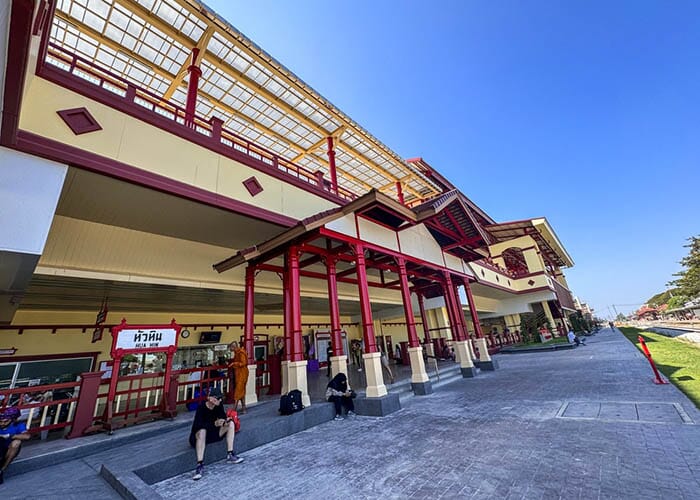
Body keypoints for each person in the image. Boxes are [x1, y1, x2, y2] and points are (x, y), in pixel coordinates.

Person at [189, 387, 243, 480]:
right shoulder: (201, 408)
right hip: (200, 437)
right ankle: (200, 464)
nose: (220, 400)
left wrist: (224, 421)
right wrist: (214, 423)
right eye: (218, 398)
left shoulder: (219, 405)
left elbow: (222, 416)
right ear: (212, 399)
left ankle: (230, 453)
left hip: (214, 433)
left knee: (230, 424)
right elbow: (197, 426)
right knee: (202, 431)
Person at [0, 407, 31, 484]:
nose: (2, 423)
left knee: (17, 442)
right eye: (1, 421)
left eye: (6, 421)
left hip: (9, 449)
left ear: (13, 420)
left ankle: (2, 470)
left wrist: (10, 436)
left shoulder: (19, 425)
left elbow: (27, 436)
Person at [227, 341, 249, 414]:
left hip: (242, 374)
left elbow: (244, 363)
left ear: (233, 347)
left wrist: (234, 363)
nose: (230, 349)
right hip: (238, 374)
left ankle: (234, 409)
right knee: (241, 390)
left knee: (238, 390)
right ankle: (244, 408)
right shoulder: (237, 353)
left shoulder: (240, 352)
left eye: (230, 347)